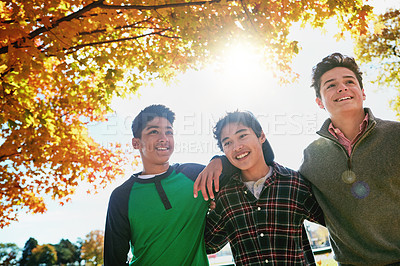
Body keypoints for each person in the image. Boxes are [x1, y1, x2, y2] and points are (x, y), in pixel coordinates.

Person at [299, 52, 400, 265]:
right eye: (330, 85)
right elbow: (280, 183)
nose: (342, 88)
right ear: (319, 102)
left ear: (362, 92)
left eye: (349, 82)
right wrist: (221, 162)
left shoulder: (396, 136)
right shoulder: (312, 157)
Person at [104, 104, 222, 265]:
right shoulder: (122, 196)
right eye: (154, 131)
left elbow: (244, 170)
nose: (164, 138)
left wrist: (219, 160)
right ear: (136, 143)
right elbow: (113, 260)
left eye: (169, 132)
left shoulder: (195, 175)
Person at [204, 111, 324, 265]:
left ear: (261, 136)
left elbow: (335, 222)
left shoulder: (294, 182)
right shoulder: (225, 195)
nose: (237, 147)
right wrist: (205, 206)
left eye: (242, 135)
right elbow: (208, 244)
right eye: (227, 143)